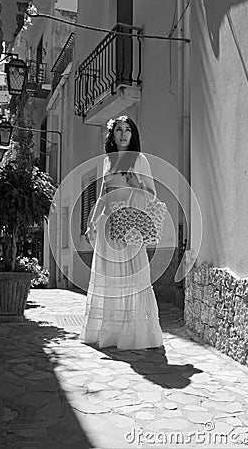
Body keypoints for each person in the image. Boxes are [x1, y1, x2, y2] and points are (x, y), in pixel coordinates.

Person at [80, 116, 163, 350]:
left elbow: (152, 195)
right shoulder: (106, 161)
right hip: (109, 226)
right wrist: (92, 222)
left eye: (128, 130)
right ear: (112, 135)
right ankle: (111, 333)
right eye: (119, 129)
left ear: (132, 134)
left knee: (134, 278)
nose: (123, 133)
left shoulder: (140, 160)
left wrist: (135, 183)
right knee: (110, 278)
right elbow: (102, 196)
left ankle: (135, 333)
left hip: (130, 225)